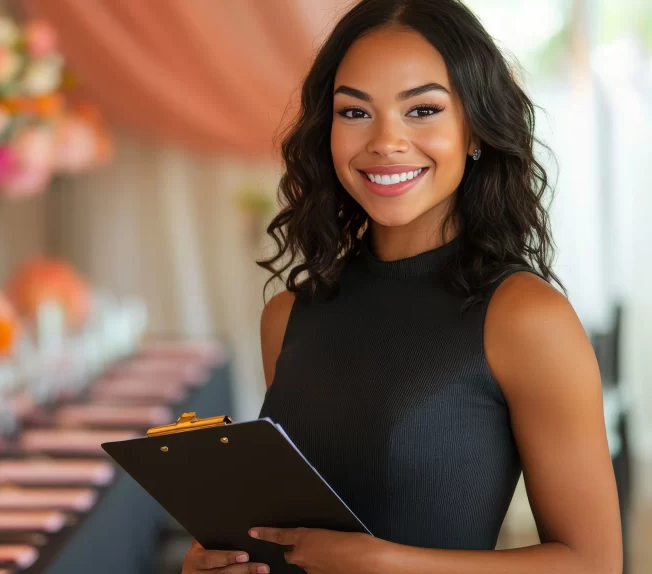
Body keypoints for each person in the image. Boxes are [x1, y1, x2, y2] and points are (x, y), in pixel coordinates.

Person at [182, 0, 622, 573]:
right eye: (355, 112)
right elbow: (295, 528)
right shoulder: (290, 314)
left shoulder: (524, 317)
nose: (386, 141)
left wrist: (389, 564)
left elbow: (593, 564)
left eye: (422, 109)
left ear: (475, 131)